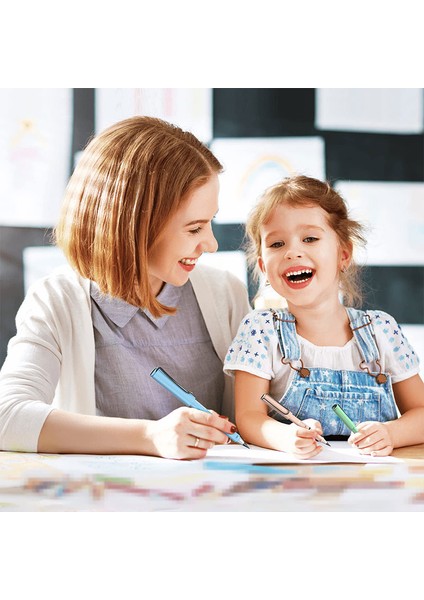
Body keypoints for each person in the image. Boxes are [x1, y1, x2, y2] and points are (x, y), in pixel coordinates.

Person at [0, 116, 250, 459]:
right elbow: (7, 417)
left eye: (210, 223)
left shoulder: (225, 294)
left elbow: (261, 410)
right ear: (135, 226)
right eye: (194, 229)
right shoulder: (57, 300)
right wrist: (149, 436)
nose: (210, 244)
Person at [224, 175, 424, 458]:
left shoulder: (381, 331)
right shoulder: (260, 330)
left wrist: (391, 433)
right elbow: (248, 417)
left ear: (343, 255)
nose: (293, 251)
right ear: (263, 267)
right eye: (277, 244)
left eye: (310, 238)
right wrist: (286, 436)